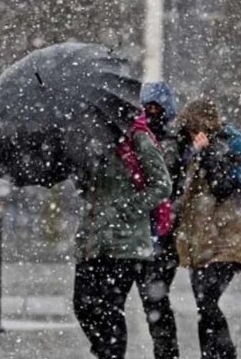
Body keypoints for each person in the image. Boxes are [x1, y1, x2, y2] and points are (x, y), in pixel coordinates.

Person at [174, 96, 241, 359]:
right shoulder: (191, 149)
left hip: (227, 239)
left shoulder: (224, 147)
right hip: (201, 240)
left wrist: (207, 154)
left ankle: (224, 354)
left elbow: (223, 187)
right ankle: (212, 355)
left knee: (207, 302)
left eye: (190, 128)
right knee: (203, 305)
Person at [72, 111, 172, 359]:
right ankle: (106, 351)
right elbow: (88, 190)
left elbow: (162, 184)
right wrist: (82, 169)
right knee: (83, 305)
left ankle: (111, 353)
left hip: (126, 243)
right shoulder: (89, 140)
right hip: (92, 240)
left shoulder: (136, 138)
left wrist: (128, 209)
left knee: (110, 309)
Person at [136, 81, 182, 359]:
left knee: (155, 300)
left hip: (163, 233)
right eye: (147, 107)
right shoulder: (137, 137)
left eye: (157, 107)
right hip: (143, 231)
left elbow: (172, 182)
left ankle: (166, 354)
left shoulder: (175, 141)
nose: (152, 113)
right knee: (152, 300)